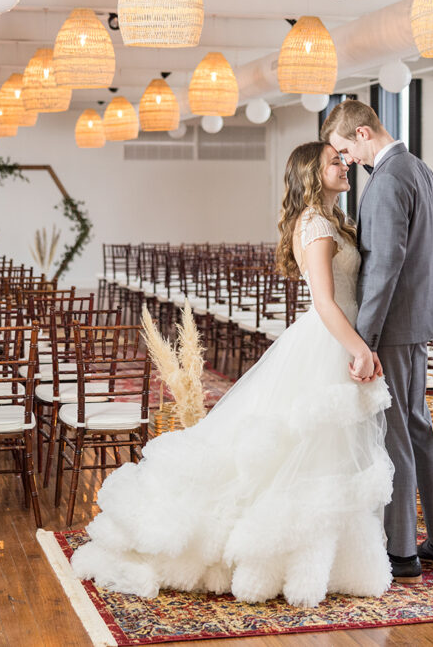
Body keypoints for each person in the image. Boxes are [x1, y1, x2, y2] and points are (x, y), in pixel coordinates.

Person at [71, 142, 395, 609]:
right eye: (334, 161)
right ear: (311, 174)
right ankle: (281, 554)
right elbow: (325, 301)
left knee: (326, 453)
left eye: (343, 160)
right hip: (328, 340)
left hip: (333, 337)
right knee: (310, 450)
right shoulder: (318, 224)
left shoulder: (330, 220)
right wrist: (360, 349)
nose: (344, 166)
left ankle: (326, 557)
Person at [321, 99, 433, 584]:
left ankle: (402, 552)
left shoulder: (386, 180)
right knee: (418, 428)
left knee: (396, 433)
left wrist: (366, 340)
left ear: (362, 133)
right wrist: (421, 295)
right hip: (416, 323)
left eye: (343, 150)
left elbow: (383, 267)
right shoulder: (418, 168)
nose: (346, 162)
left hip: (392, 332)